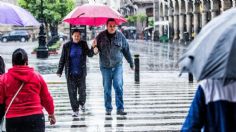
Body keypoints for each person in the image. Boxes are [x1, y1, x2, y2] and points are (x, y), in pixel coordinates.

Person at [0, 48, 56, 132]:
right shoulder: (37, 77)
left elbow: (0, 100)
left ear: (13, 63)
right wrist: (51, 113)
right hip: (35, 118)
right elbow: (46, 98)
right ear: (26, 61)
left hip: (13, 120)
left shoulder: (4, 79)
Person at [92, 18, 134, 115]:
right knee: (107, 88)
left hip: (117, 66)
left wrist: (131, 63)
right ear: (106, 26)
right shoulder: (100, 36)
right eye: (110, 26)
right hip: (105, 67)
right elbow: (93, 53)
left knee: (118, 86)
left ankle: (120, 108)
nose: (112, 27)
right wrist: (94, 46)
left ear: (116, 26)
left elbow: (126, 50)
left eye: (114, 26)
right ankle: (108, 109)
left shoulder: (120, 36)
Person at [57, 29, 94, 117]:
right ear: (72, 36)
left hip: (81, 73)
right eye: (75, 36)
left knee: (82, 92)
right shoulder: (67, 46)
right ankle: (75, 110)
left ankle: (82, 103)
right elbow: (62, 59)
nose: (77, 37)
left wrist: (93, 47)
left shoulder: (83, 44)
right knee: (72, 93)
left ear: (80, 36)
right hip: (70, 74)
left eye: (78, 35)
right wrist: (59, 71)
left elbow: (90, 54)